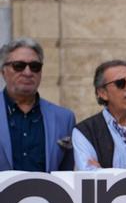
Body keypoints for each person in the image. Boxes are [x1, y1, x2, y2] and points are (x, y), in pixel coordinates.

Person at [0, 37, 75, 172]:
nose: (28, 72)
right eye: (19, 66)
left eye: (35, 67)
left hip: (48, 193)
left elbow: (66, 173)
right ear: (3, 71)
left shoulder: (64, 118)